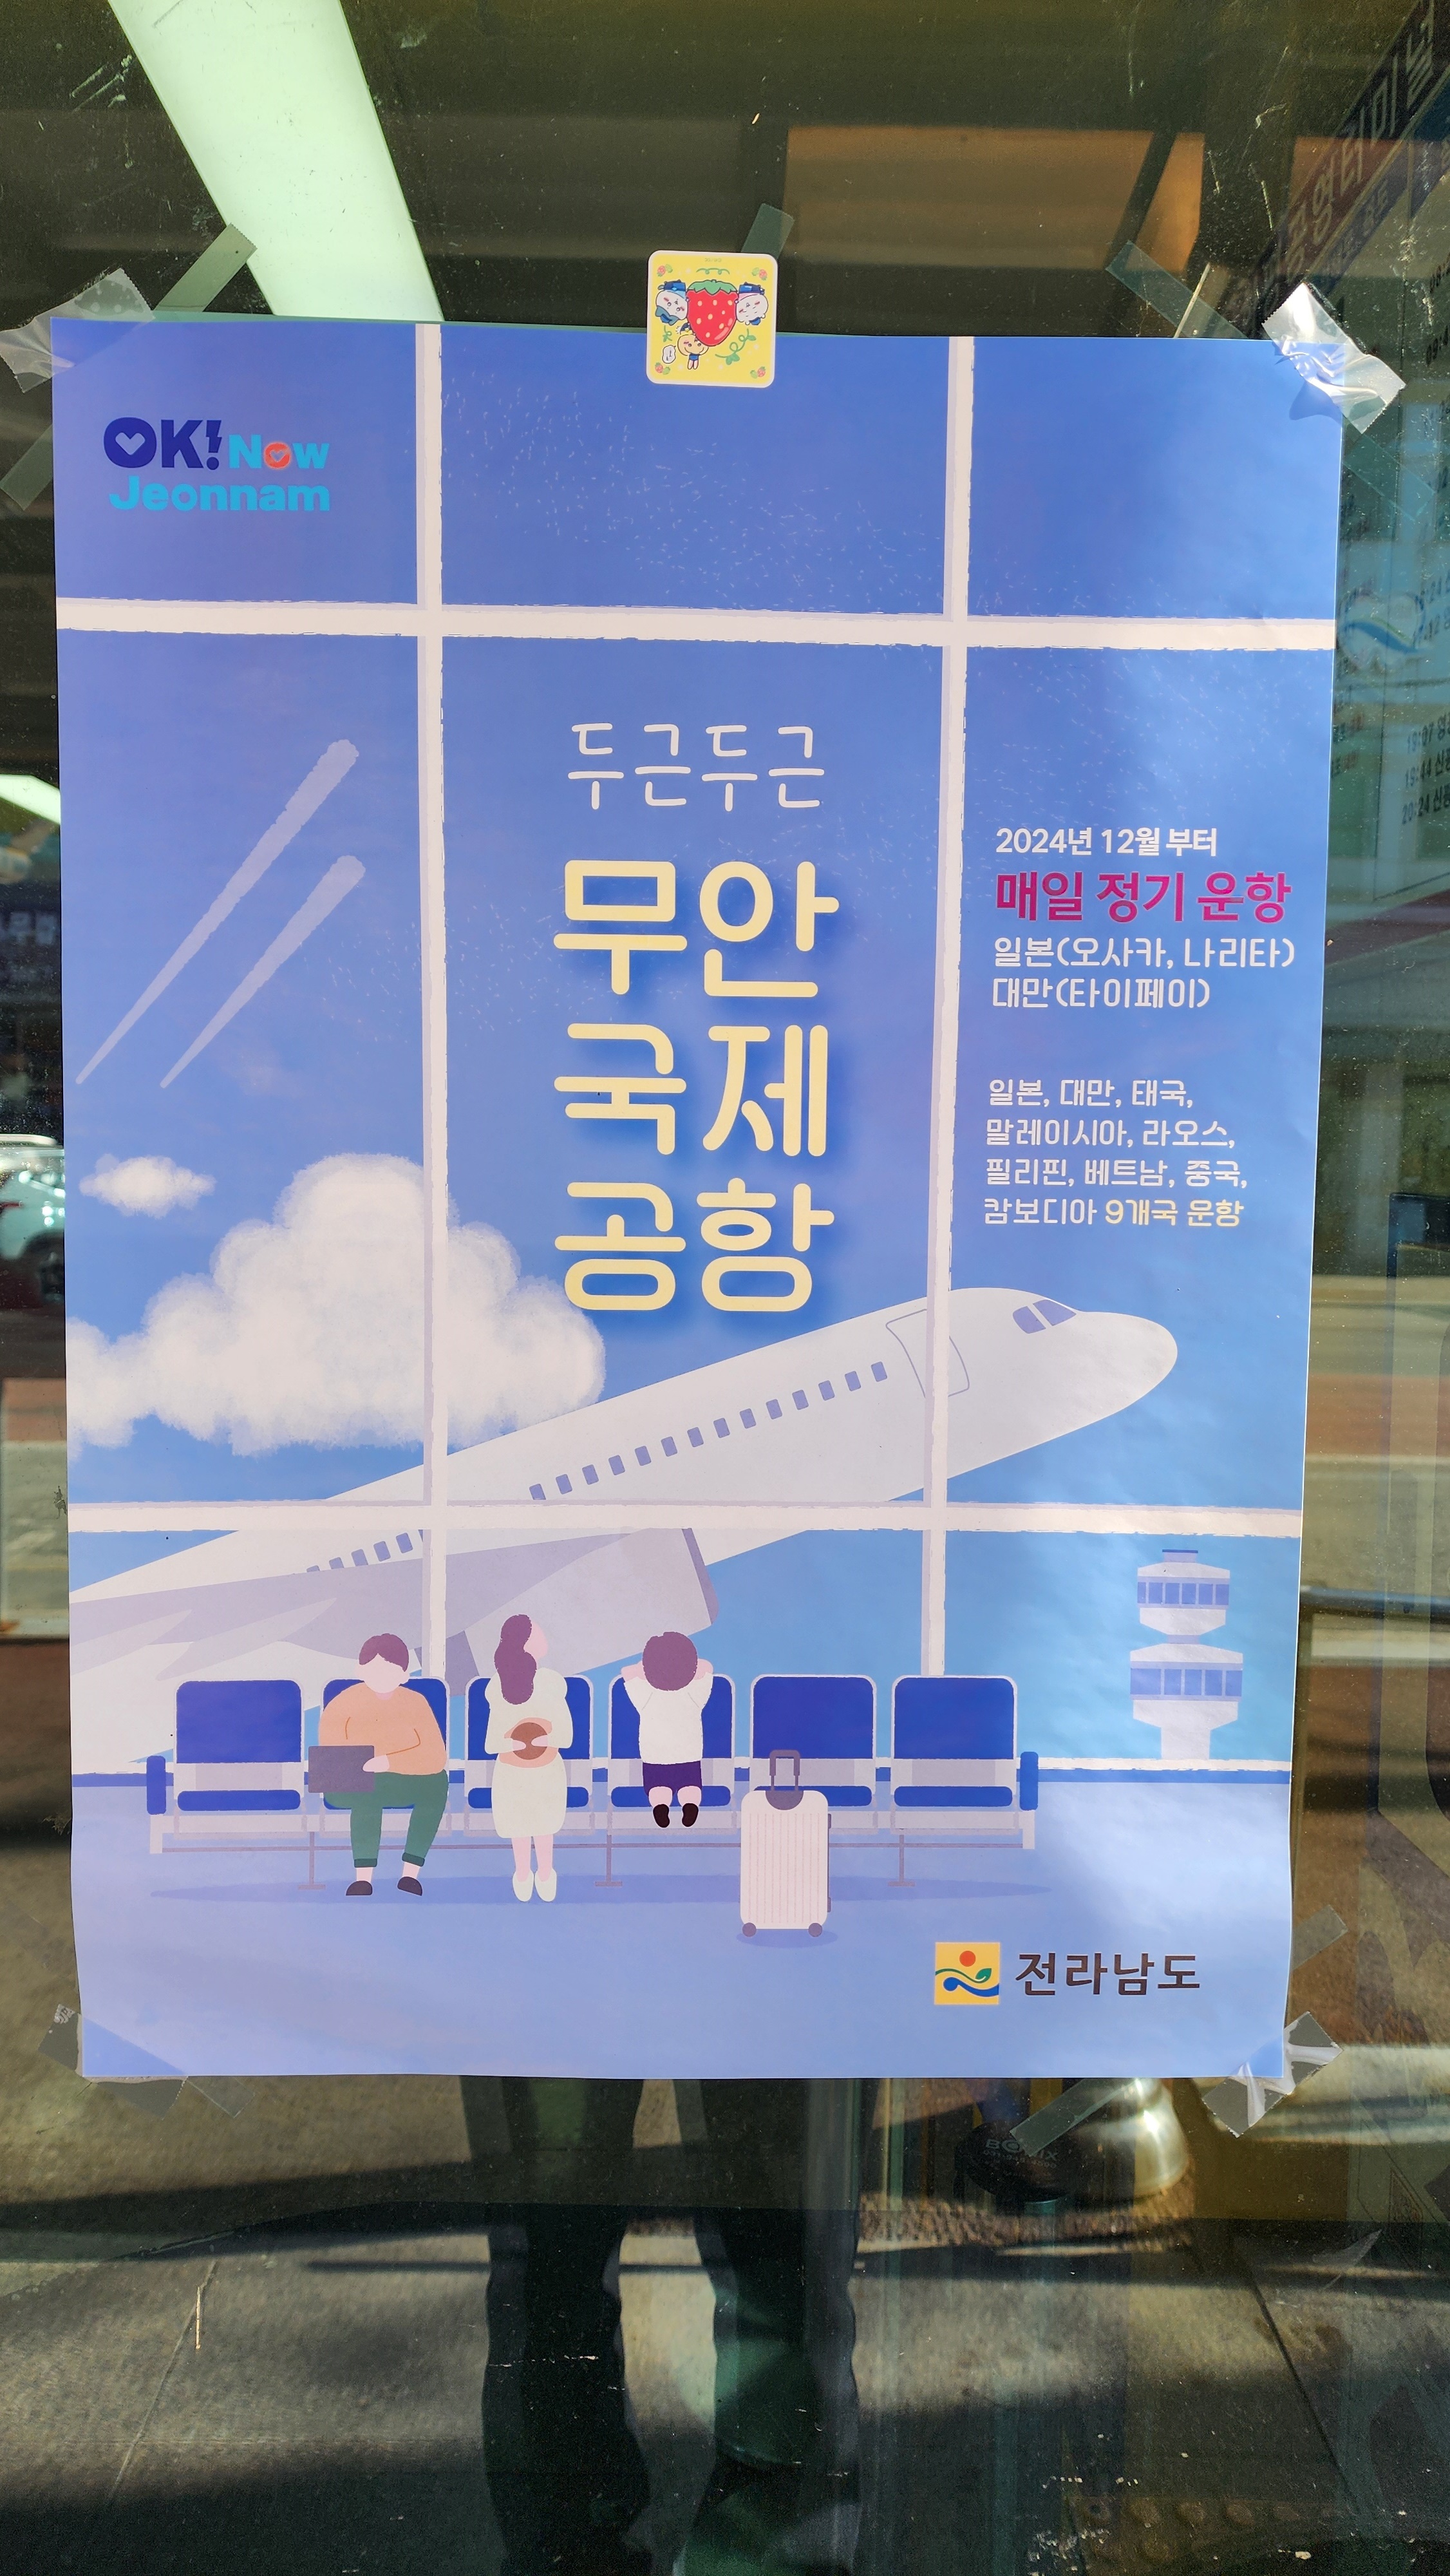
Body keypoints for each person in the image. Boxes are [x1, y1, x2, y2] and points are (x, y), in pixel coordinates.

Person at [317, 1631, 449, 1898]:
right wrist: (372, 1763)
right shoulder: (344, 1702)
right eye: (374, 1669)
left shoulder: (416, 1703)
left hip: (400, 1778)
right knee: (368, 1790)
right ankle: (363, 1878)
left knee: (437, 1783)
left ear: (404, 1675)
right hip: (352, 1782)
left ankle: (410, 1873)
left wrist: (388, 1761)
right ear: (360, 1670)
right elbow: (331, 1758)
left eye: (390, 1670)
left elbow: (436, 1756)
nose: (382, 1677)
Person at [486, 1614, 572, 1903]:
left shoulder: (551, 1682)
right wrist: (514, 1743)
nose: (544, 1636)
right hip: (511, 1769)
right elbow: (491, 1742)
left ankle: (546, 1872)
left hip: (546, 1767)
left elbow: (566, 1735)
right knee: (519, 1826)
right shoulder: (497, 1686)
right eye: (538, 1632)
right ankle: (522, 1873)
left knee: (544, 1825)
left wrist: (544, 1740)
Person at [619, 1629, 713, 1828]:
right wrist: (688, 1665)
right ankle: (690, 1805)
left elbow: (626, 1672)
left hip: (655, 1756)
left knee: (658, 1787)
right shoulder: (694, 1694)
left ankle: (660, 1806)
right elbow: (707, 1667)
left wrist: (643, 1667)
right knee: (690, 1785)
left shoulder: (646, 1695)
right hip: (689, 1754)